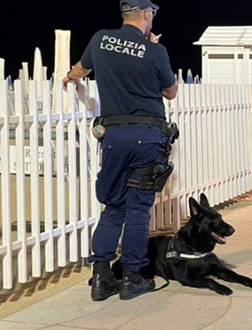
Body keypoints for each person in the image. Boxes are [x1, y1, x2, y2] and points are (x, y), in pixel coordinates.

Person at [63, 0, 179, 301]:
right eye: (152, 13)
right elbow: (171, 91)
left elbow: (80, 69)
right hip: (148, 135)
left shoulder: (101, 39)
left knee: (113, 207)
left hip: (113, 136)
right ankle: (132, 278)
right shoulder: (155, 50)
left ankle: (101, 278)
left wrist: (70, 78)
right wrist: (151, 48)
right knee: (138, 209)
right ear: (146, 14)